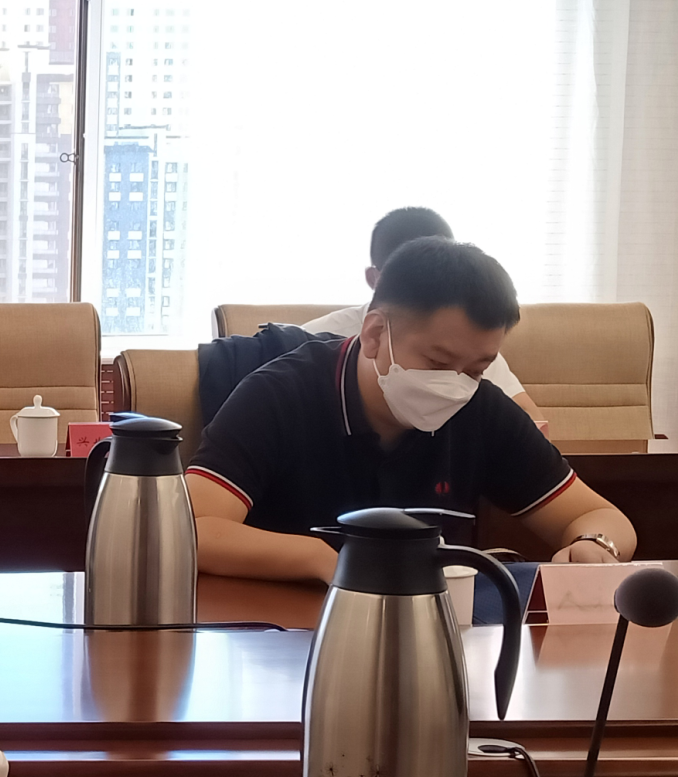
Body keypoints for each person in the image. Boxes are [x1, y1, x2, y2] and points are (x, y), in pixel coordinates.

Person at [187, 237, 635, 583]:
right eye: (438, 363)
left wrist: (596, 545)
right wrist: (326, 561)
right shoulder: (280, 394)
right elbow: (193, 528)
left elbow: (601, 517)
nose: (455, 386)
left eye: (476, 369)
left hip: (435, 634)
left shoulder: (480, 409)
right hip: (285, 635)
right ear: (375, 334)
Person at [302, 207, 543, 420]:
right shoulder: (312, 345)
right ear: (376, 279)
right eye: (437, 363)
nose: (452, 385)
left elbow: (531, 418)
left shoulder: (469, 350)